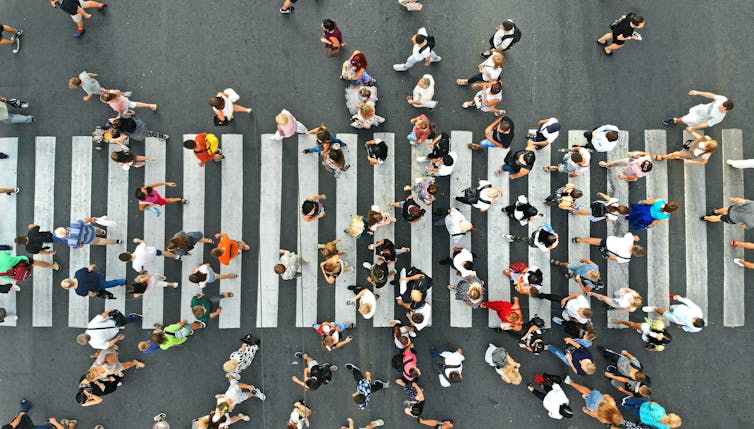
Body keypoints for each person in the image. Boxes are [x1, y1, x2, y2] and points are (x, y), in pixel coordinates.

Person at [663, 90, 733, 131]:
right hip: (700, 108)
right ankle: (678, 120)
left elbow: (707, 124)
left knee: (685, 119)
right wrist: (698, 92)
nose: (719, 106)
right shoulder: (723, 99)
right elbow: (712, 95)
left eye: (721, 107)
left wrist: (693, 128)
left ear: (726, 110)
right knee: (690, 112)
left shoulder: (719, 117)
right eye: (721, 105)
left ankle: (675, 120)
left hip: (698, 119)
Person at [76, 310, 142, 350]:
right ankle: (138, 318)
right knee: (125, 320)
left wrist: (117, 338)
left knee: (124, 322)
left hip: (114, 331)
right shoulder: (90, 326)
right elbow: (102, 316)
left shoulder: (95, 345)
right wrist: (109, 310)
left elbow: (109, 344)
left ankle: (137, 318)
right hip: (112, 322)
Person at [572, 233, 645, 263]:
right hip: (608, 249)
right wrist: (608, 256)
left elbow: (626, 234)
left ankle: (579, 240)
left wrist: (634, 237)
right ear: (636, 254)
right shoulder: (626, 258)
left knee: (596, 241)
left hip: (610, 241)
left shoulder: (630, 239)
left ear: (637, 246)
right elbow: (613, 258)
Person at [653, 130, 718, 164]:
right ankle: (680, 156)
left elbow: (704, 162)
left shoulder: (707, 154)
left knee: (675, 153)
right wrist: (692, 132)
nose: (706, 142)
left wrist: (691, 162)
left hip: (691, 154)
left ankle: (663, 157)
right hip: (692, 145)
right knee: (681, 152)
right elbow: (700, 138)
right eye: (707, 142)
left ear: (708, 148)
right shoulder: (708, 138)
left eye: (707, 144)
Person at [60, 265, 125, 298]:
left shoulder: (79, 291)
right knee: (101, 275)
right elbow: (90, 267)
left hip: (98, 285)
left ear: (69, 288)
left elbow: (90, 293)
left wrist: (94, 294)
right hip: (97, 276)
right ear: (68, 279)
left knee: (109, 284)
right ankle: (103, 275)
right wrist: (94, 266)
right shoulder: (78, 273)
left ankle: (121, 281)